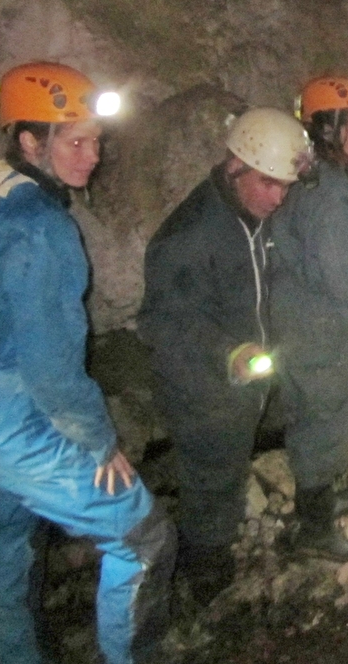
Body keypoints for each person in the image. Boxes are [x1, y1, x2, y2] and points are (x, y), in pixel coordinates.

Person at [0, 61, 173, 664]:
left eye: (97, 141)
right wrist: (101, 444)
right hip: (16, 424)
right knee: (143, 537)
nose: (92, 156)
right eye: (75, 142)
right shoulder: (41, 231)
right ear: (31, 142)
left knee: (0, 551)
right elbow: (52, 371)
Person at [137, 107, 310, 602]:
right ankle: (204, 575)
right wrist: (228, 352)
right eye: (268, 184)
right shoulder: (190, 237)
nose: (278, 199)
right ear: (235, 167)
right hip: (202, 389)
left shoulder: (246, 213)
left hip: (238, 380)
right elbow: (164, 324)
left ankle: (210, 540)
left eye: (285, 186)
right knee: (211, 476)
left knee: (226, 470)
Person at [268, 77, 348, 560]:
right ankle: (316, 530)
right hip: (323, 330)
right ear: (328, 130)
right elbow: (343, 278)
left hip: (293, 319)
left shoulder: (301, 176)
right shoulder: (333, 196)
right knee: (326, 421)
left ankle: (312, 501)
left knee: (304, 414)